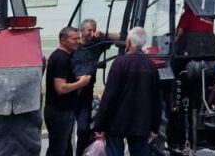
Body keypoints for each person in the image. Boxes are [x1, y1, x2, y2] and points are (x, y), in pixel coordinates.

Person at [94, 27, 162, 156]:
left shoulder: (119, 63)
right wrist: (155, 126)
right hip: (142, 124)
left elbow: (109, 96)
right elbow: (156, 99)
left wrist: (100, 125)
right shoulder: (151, 66)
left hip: (116, 124)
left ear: (129, 43)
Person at [73, 19, 120, 156]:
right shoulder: (74, 45)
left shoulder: (97, 44)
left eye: (94, 30)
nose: (91, 33)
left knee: (83, 129)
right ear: (82, 31)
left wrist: (103, 34)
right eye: (89, 30)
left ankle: (80, 152)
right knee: (65, 130)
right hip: (70, 92)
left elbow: (122, 37)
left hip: (86, 94)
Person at [45, 26, 92, 156]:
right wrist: (80, 83)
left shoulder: (64, 57)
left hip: (62, 111)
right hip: (59, 112)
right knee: (58, 149)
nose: (77, 41)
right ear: (63, 41)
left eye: (78, 38)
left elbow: (64, 79)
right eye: (74, 39)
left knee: (65, 148)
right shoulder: (61, 59)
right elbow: (60, 88)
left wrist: (76, 79)